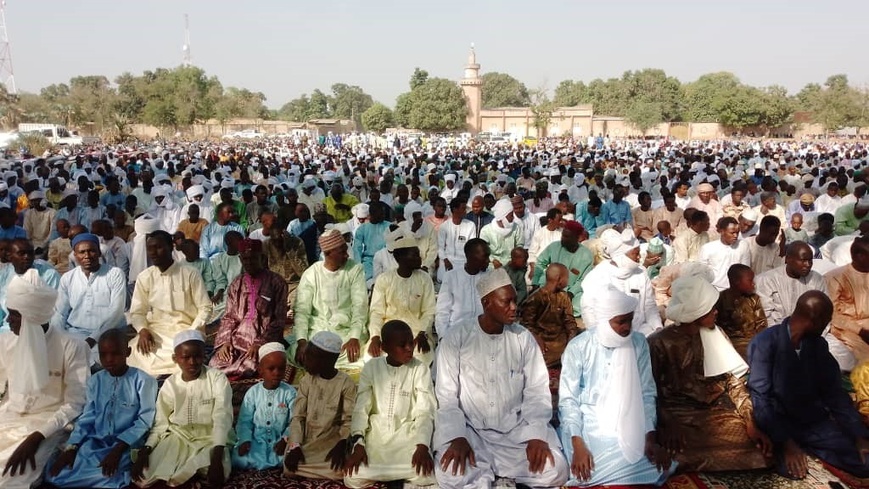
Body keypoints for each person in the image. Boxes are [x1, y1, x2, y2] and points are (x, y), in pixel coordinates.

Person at [433, 268, 569, 488]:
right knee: (450, 473)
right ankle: (488, 473)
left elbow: (537, 391)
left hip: (515, 433)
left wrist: (535, 435)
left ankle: (487, 476)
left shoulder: (523, 338)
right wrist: (457, 436)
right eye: (506, 302)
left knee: (556, 469)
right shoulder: (456, 337)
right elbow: (446, 395)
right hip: (471, 432)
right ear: (487, 303)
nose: (514, 308)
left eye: (515, 301)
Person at [647, 275, 771, 472]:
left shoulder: (716, 333)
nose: (716, 312)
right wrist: (666, 423)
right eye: (711, 308)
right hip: (676, 414)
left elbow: (734, 383)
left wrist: (750, 421)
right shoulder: (658, 342)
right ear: (696, 311)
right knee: (674, 450)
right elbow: (649, 392)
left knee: (760, 449)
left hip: (715, 412)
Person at [559, 286, 674, 487]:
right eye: (620, 321)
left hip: (631, 417)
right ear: (605, 319)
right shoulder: (579, 346)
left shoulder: (638, 343)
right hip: (592, 421)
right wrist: (577, 443)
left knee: (654, 462)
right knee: (585, 468)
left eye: (630, 319)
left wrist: (650, 436)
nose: (627, 327)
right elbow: (568, 400)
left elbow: (647, 393)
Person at [748, 291, 869, 482]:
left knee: (865, 463)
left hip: (813, 422)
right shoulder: (765, 343)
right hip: (780, 423)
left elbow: (835, 394)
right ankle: (792, 447)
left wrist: (859, 436)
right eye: (826, 320)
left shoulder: (817, 345)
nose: (827, 325)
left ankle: (812, 447)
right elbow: (761, 399)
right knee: (792, 472)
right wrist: (787, 443)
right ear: (815, 320)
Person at [0, 270, 89, 489]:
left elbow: (75, 403)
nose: (7, 320)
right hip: (9, 418)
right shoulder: (6, 341)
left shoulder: (73, 346)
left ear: (32, 316)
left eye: (14, 314)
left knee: (12, 478)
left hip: (47, 425)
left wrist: (36, 437)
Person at [44, 329, 158, 489]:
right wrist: (72, 447)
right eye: (103, 354)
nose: (109, 359)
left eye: (115, 353)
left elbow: (144, 420)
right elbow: (88, 417)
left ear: (128, 352)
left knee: (109, 477)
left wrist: (118, 450)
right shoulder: (96, 381)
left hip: (126, 445)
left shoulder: (144, 381)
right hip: (96, 442)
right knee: (57, 475)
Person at [132, 330, 233, 488]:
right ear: (175, 359)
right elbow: (160, 422)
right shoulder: (171, 384)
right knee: (145, 476)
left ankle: (189, 476)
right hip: (178, 437)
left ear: (204, 355)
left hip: (209, 440)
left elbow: (222, 416)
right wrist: (146, 449)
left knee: (216, 472)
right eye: (186, 357)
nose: (192, 362)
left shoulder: (217, 378)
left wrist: (217, 455)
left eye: (197, 356)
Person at [344, 320, 437, 488]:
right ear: (385, 347)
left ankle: (393, 478)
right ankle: (399, 480)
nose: (410, 348)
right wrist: (358, 443)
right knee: (352, 477)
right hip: (377, 437)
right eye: (402, 345)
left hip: (407, 436)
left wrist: (422, 446)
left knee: (427, 473)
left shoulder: (420, 369)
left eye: (411, 342)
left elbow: (425, 411)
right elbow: (361, 409)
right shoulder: (371, 368)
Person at [126, 230, 213, 377]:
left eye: (158, 247)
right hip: (156, 332)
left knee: (184, 355)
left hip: (186, 329)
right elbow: (137, 312)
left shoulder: (190, 273)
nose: (153, 252)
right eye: (150, 248)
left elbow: (205, 308)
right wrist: (142, 330)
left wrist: (191, 333)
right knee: (136, 353)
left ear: (171, 247)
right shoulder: (145, 277)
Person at [210, 239, 288, 380]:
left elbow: (279, 320)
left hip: (264, 339)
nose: (249, 263)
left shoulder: (277, 282)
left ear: (262, 258)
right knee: (215, 363)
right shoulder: (236, 284)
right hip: (237, 338)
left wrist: (259, 343)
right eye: (245, 259)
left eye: (253, 258)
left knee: (251, 365)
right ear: (240, 259)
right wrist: (225, 342)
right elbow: (229, 317)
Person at [284, 331, 357, 480]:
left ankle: (313, 471)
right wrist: (295, 445)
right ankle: (317, 470)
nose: (304, 360)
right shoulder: (306, 381)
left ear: (328, 361)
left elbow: (349, 420)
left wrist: (342, 444)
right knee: (288, 467)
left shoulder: (346, 383)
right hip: (306, 441)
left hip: (331, 441)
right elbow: (298, 417)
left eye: (310, 357)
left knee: (340, 465)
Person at [294, 229, 368, 372]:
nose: (347, 255)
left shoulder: (355, 269)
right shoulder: (311, 274)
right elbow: (302, 311)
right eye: (342, 252)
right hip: (318, 330)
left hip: (346, 331)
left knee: (360, 353)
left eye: (346, 250)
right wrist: (302, 341)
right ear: (328, 254)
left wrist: (354, 338)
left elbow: (360, 306)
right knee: (301, 352)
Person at [51, 233, 126, 363]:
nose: (87, 256)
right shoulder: (68, 278)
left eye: (92, 251)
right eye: (82, 252)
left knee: (102, 360)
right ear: (75, 255)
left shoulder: (114, 274)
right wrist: (57, 337)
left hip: (107, 334)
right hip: (74, 333)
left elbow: (116, 312)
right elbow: (60, 313)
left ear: (99, 253)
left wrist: (92, 339)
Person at [367, 227, 436, 365]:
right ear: (400, 258)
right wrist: (375, 336)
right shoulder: (384, 279)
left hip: (416, 332)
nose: (420, 258)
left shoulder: (424, 279)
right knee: (372, 358)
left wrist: (422, 333)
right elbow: (376, 312)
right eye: (415, 255)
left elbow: (429, 311)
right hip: (388, 330)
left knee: (421, 356)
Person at [580, 229, 662, 336]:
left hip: (639, 330)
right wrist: (597, 335)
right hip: (608, 333)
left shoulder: (641, 273)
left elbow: (650, 306)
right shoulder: (598, 275)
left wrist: (658, 327)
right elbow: (588, 310)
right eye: (635, 253)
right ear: (621, 255)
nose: (639, 257)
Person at [231, 343, 297, 471]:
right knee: (237, 459)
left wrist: (285, 439)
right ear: (260, 370)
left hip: (279, 441)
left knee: (293, 458)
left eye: (281, 369)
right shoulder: (253, 392)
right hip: (256, 441)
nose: (277, 373)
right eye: (271, 369)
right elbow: (245, 420)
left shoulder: (290, 392)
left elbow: (295, 420)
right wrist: (245, 439)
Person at [755, 241, 828, 327]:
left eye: (810, 260)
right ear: (788, 259)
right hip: (776, 333)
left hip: (811, 333)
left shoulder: (817, 279)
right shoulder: (767, 280)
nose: (808, 265)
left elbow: (824, 312)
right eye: (803, 260)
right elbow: (765, 317)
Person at [522, 263, 579, 368]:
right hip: (541, 342)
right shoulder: (536, 298)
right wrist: (536, 338)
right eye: (567, 277)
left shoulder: (564, 297)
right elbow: (526, 325)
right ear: (559, 279)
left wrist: (571, 344)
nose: (568, 281)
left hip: (559, 341)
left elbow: (570, 323)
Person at [533, 220, 594, 319]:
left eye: (567, 237)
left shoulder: (586, 255)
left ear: (577, 238)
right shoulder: (554, 246)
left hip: (570, 290)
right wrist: (535, 282)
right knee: (536, 299)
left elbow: (584, 279)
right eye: (563, 235)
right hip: (548, 285)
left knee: (583, 301)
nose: (563, 239)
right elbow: (540, 263)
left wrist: (571, 293)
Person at [826, 236, 869, 372]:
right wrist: (860, 330)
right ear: (858, 255)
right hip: (847, 329)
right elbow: (831, 315)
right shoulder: (835, 277)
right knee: (864, 364)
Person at [0, 238, 61, 331]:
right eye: (21, 253)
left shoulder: (49, 275)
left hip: (36, 329)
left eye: (30, 253)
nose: (27, 257)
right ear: (9, 257)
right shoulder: (5, 274)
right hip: (6, 328)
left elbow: (53, 310)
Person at [435, 238, 489, 339]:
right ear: (471, 256)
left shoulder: (489, 276)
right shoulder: (451, 277)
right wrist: (443, 336)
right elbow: (442, 311)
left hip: (483, 335)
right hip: (456, 333)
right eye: (485, 256)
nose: (488, 261)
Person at [715, 264, 767, 361]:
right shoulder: (720, 299)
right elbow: (716, 325)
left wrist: (761, 342)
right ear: (736, 282)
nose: (753, 284)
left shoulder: (754, 299)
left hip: (752, 341)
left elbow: (761, 324)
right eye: (750, 281)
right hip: (728, 342)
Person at [262, 229, 308, 318]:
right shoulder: (266, 245)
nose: (277, 244)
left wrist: (290, 251)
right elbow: (263, 271)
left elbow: (303, 272)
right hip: (275, 285)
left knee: (299, 302)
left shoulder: (297, 243)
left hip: (294, 285)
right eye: (274, 241)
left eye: (279, 241)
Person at [699, 217, 751, 291]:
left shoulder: (743, 245)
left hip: (735, 290)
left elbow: (745, 269)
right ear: (722, 231)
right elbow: (702, 273)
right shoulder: (708, 248)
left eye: (737, 232)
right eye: (732, 232)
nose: (736, 236)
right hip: (714, 289)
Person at [436, 198, 475, 283]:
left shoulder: (470, 225)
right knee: (443, 279)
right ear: (455, 209)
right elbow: (440, 248)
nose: (465, 211)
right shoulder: (444, 226)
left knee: (462, 281)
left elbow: (471, 247)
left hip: (463, 261)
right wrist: (446, 260)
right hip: (447, 260)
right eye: (463, 208)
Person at [208, 230, 243, 321]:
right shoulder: (219, 259)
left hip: (240, 292)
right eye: (238, 242)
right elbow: (220, 279)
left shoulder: (243, 258)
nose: (240, 244)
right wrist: (219, 293)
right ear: (229, 243)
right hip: (223, 293)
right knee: (215, 311)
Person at [353, 201, 390, 283]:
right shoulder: (362, 229)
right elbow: (357, 249)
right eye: (381, 214)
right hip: (369, 261)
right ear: (371, 214)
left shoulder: (389, 226)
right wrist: (358, 266)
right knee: (366, 282)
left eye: (383, 213)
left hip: (386, 259)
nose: (383, 216)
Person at [480, 198, 524, 269]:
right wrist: (493, 260)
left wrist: (514, 260)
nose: (513, 218)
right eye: (511, 215)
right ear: (502, 217)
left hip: (512, 264)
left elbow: (520, 246)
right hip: (492, 265)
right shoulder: (486, 231)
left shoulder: (516, 228)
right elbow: (483, 251)